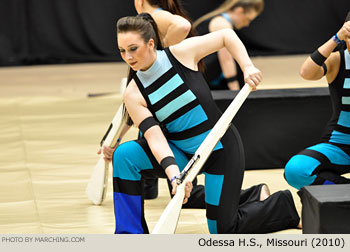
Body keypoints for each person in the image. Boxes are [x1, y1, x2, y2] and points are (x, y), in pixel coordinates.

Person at [111, 13, 300, 234]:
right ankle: (129, 236)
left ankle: (281, 207)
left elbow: (226, 36)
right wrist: (174, 175)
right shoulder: (133, 93)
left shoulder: (181, 53)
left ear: (150, 44)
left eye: (133, 49)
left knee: (221, 231)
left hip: (219, 150)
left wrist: (247, 67)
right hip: (181, 152)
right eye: (122, 51)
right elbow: (154, 137)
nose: (128, 57)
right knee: (124, 155)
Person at [284, 12, 350, 190]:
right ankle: (343, 190)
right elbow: (306, 73)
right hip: (340, 144)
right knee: (296, 170)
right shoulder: (338, 59)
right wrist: (336, 38)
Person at [193, 0, 264, 90]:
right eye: (248, 19)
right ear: (239, 11)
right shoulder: (221, 24)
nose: (247, 24)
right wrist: (234, 88)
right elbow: (226, 60)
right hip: (199, 74)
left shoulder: (218, 20)